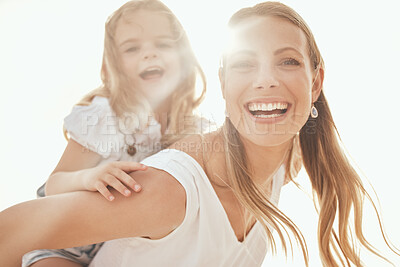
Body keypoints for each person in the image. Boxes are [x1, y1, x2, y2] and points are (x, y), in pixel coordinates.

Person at [0, 2, 398, 266]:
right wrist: (87, 178)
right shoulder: (161, 178)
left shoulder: (277, 162)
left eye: (288, 61)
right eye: (245, 63)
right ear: (224, 85)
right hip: (65, 241)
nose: (266, 81)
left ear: (316, 83)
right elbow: (26, 217)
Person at [22, 0, 207, 266]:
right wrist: (89, 177)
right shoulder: (107, 115)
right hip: (62, 244)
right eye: (132, 48)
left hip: (131, 250)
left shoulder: (193, 131)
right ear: (114, 66)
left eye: (163, 44)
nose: (149, 54)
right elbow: (54, 185)